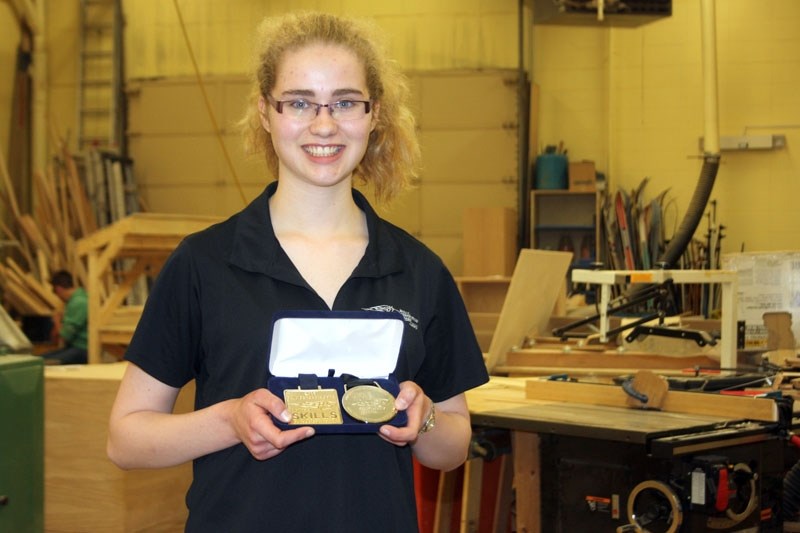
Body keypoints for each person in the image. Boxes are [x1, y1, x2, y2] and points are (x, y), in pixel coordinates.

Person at [107, 11, 489, 532]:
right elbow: (126, 439)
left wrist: (422, 418)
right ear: (265, 111)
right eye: (300, 102)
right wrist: (229, 418)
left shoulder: (419, 271)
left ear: (374, 113)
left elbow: (453, 447)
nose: (324, 124)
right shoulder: (204, 263)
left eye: (346, 102)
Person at [41, 270, 88, 365]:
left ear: (58, 289)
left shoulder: (78, 303)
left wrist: (57, 321)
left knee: (41, 363)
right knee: (39, 359)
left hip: (82, 350)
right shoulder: (81, 297)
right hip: (77, 348)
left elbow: (65, 336)